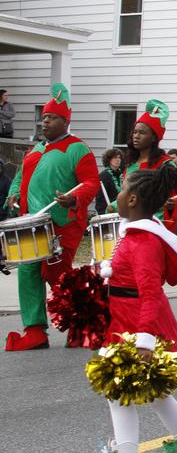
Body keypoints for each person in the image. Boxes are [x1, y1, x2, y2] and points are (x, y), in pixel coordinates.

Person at [101, 164, 177, 453]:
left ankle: (127, 449)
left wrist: (145, 341)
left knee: (120, 393)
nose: (120, 195)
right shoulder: (135, 233)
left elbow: (150, 293)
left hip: (138, 327)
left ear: (133, 199)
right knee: (154, 394)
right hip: (125, 323)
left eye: (123, 190)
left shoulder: (144, 241)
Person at [4, 83, 100, 351]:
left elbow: (91, 182)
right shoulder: (34, 150)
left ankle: (80, 325)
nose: (44, 122)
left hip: (62, 223)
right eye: (43, 117)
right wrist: (12, 195)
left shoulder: (78, 149)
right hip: (31, 225)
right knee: (28, 273)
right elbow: (19, 179)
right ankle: (34, 330)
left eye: (51, 118)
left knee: (58, 275)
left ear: (65, 121)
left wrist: (74, 198)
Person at [114, 101, 177, 234]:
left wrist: (172, 205)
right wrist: (113, 206)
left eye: (142, 133)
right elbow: (127, 195)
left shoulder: (165, 165)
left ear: (154, 137)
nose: (136, 136)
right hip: (129, 226)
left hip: (154, 228)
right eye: (135, 132)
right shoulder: (130, 165)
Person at [95, 149, 124, 215]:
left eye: (119, 158)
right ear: (109, 160)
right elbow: (100, 197)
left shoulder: (121, 175)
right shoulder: (104, 176)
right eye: (115, 158)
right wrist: (103, 212)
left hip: (121, 211)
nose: (118, 160)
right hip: (108, 212)